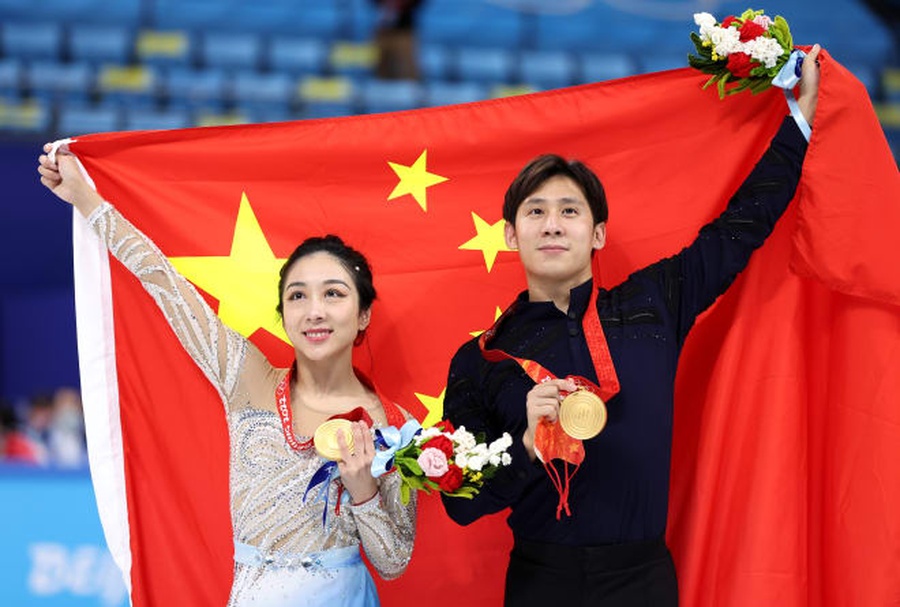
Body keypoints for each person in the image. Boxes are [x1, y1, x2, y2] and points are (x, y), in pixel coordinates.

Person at [440, 45, 822, 606]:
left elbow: (740, 227)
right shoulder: (482, 358)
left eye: (570, 211)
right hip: (540, 579)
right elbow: (461, 504)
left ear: (597, 235)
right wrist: (524, 443)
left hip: (642, 578)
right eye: (535, 211)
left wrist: (800, 119)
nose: (552, 224)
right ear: (511, 236)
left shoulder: (655, 300)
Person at [37, 151, 417, 607]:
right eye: (298, 296)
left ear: (362, 315)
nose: (314, 310)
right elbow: (166, 285)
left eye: (333, 294)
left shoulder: (393, 425)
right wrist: (86, 200)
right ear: (284, 315)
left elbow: (395, 562)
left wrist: (364, 491)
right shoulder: (245, 377)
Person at [371, 0, 423, 80]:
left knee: (408, 72)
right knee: (380, 71)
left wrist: (401, 4)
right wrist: (387, 3)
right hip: (382, 31)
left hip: (404, 32)